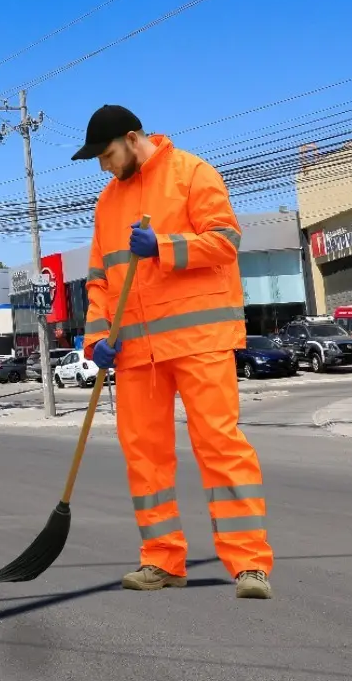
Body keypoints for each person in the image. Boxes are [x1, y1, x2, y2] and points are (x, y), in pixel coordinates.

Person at [73, 105, 273, 600]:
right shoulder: (107, 203)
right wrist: (97, 341)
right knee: (145, 458)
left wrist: (164, 245)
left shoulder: (191, 173)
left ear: (133, 138)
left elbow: (225, 242)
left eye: (107, 154)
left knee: (219, 447)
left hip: (199, 340)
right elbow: (99, 280)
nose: (103, 165)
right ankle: (161, 561)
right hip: (137, 350)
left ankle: (249, 564)